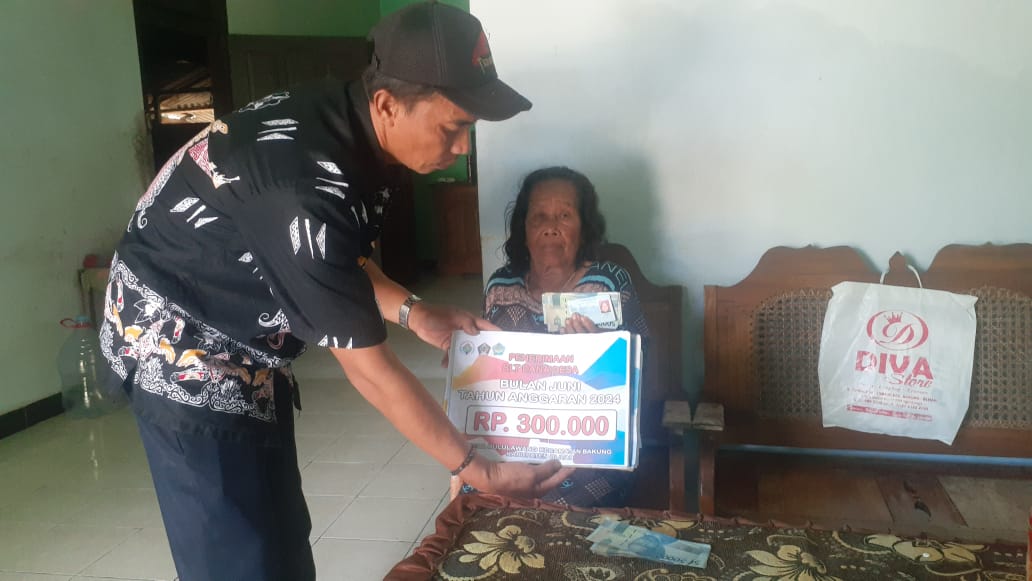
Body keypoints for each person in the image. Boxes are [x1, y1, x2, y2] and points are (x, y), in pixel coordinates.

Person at [98, 4, 569, 580]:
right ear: (388, 105)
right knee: (236, 552)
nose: (464, 148)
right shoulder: (302, 182)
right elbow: (371, 371)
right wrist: (478, 469)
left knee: (281, 533)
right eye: (453, 127)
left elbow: (334, 256)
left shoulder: (354, 126)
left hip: (252, 347)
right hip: (179, 345)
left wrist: (414, 312)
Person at [468, 165, 650, 507]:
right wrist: (466, 361)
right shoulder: (500, 285)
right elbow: (488, 369)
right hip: (514, 444)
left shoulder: (609, 283)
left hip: (588, 456)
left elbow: (642, 367)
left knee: (561, 512)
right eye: (539, 216)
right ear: (523, 228)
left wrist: (603, 352)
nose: (551, 227)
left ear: (584, 227)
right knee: (478, 497)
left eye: (564, 215)